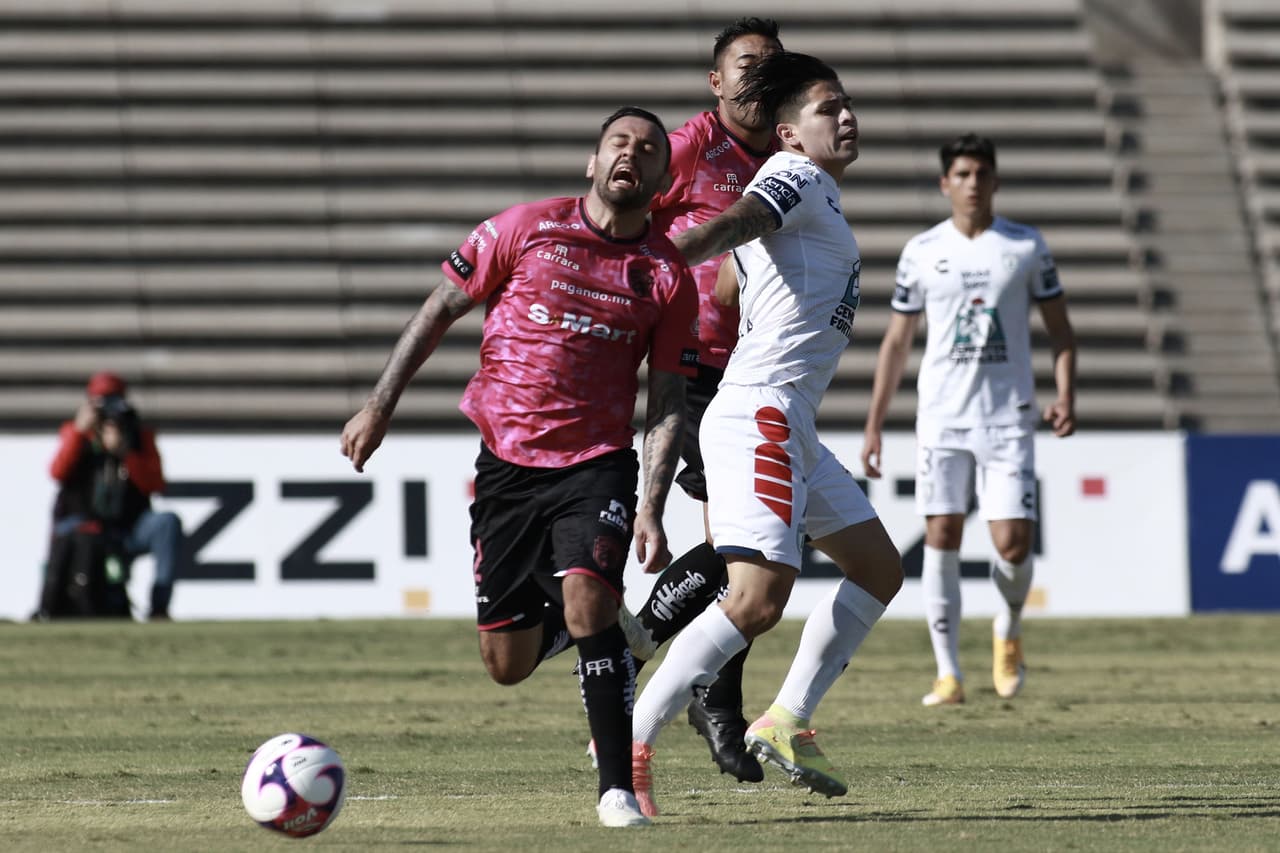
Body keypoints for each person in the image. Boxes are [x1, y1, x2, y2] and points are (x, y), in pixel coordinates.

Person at [339, 107, 699, 829]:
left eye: (650, 149)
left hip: (596, 463)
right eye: (618, 143)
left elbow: (664, 399)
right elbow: (439, 309)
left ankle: (615, 790)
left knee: (589, 599)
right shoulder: (523, 228)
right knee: (505, 662)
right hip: (505, 464)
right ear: (593, 163)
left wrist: (652, 505)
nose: (633, 154)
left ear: (661, 179)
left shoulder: (665, 275)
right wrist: (378, 406)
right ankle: (579, 628)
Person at [627, 52, 903, 818]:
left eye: (850, 105)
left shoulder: (814, 196)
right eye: (829, 108)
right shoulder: (798, 177)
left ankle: (784, 718)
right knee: (754, 598)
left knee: (879, 568)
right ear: (787, 133)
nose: (846, 117)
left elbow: (733, 272)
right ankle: (630, 736)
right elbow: (744, 223)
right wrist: (667, 251)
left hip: (788, 417)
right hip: (764, 410)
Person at [860, 133, 1077, 707]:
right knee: (942, 536)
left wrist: (1066, 394)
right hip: (941, 418)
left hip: (1008, 418)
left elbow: (1060, 330)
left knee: (1011, 543)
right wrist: (875, 423)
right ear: (944, 183)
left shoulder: (1025, 246)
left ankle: (1007, 627)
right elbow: (897, 341)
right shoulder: (922, 250)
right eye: (961, 173)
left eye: (982, 173)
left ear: (996, 181)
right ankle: (948, 672)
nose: (972, 183)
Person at [625, 15, 783, 785]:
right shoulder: (687, 148)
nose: (759, 77)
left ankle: (700, 692)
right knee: (739, 550)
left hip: (752, 369)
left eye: (770, 65)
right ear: (715, 82)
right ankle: (672, 668)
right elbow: (625, 228)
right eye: (745, 65)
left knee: (743, 553)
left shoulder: (789, 152)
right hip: (683, 368)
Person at [41, 371, 182, 621]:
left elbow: (156, 484)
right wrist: (78, 432)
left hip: (128, 528)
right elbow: (57, 472)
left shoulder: (139, 436)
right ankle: (48, 604)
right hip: (84, 526)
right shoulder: (75, 434)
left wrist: (126, 453)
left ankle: (159, 606)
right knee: (68, 530)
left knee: (167, 522)